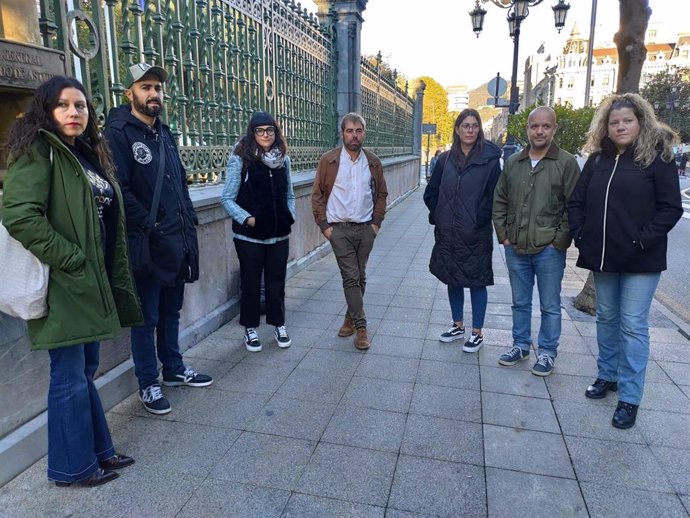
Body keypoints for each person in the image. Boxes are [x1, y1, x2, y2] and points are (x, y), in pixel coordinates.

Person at [1, 76, 141, 487]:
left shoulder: (81, 153)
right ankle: (71, 468)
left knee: (84, 369)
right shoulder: (37, 151)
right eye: (63, 105)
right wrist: (71, 259)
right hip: (63, 283)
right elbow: (20, 216)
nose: (74, 112)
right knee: (68, 375)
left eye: (80, 105)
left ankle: (98, 451)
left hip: (88, 282)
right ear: (47, 110)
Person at [568, 94, 682, 429]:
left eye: (627, 121)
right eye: (614, 122)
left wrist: (642, 239)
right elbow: (577, 202)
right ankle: (608, 375)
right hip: (603, 258)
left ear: (640, 121)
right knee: (606, 318)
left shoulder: (656, 158)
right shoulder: (597, 160)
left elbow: (670, 208)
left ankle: (630, 397)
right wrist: (581, 235)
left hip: (640, 260)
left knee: (632, 326)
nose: (620, 126)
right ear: (606, 125)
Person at [104, 63, 212, 416]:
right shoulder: (119, 132)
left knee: (171, 311)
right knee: (145, 317)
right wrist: (152, 225)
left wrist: (186, 221)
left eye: (158, 89)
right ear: (130, 92)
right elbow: (119, 189)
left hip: (176, 242)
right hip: (146, 244)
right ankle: (148, 383)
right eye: (146, 87)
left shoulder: (163, 133)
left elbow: (179, 182)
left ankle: (175, 369)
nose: (154, 94)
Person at [492, 106, 580, 376]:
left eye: (545, 126)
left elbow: (573, 205)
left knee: (550, 305)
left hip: (549, 250)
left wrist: (559, 241)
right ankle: (520, 345)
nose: (539, 131)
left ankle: (547, 351)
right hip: (515, 247)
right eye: (534, 126)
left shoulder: (566, 163)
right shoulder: (514, 163)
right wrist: (503, 236)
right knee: (519, 302)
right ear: (527, 130)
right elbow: (500, 200)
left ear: (554, 129)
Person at [424, 109, 502, 352]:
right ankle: (457, 325)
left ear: (479, 129)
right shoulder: (445, 159)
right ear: (457, 129)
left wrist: (479, 218)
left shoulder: (490, 160)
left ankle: (477, 332)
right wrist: (440, 216)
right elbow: (431, 192)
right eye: (465, 125)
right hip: (448, 232)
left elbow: (495, 196)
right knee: (452, 278)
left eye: (474, 126)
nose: (470, 130)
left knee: (477, 281)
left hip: (475, 233)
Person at [311, 113, 388, 350]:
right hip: (339, 230)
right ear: (342, 133)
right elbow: (317, 196)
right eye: (349, 131)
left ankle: (349, 318)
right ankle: (362, 328)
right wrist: (325, 227)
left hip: (365, 229)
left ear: (364, 133)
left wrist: (375, 224)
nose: (354, 136)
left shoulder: (373, 161)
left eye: (359, 131)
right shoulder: (329, 160)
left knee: (359, 276)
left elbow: (382, 194)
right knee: (351, 276)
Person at [221, 112, 295, 352]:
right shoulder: (240, 158)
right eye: (260, 130)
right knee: (251, 283)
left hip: (278, 234)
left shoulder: (283, 159)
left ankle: (279, 325)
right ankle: (250, 328)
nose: (266, 135)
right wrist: (248, 220)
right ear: (252, 133)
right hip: (249, 237)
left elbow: (290, 195)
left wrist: (289, 215)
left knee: (276, 283)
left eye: (270, 130)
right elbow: (227, 199)